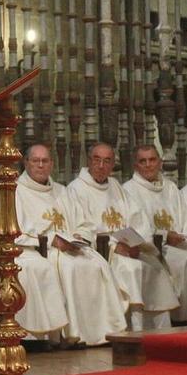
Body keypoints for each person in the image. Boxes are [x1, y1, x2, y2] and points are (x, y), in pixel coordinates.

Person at [14, 143, 126, 346]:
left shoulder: (62, 191)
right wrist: (51, 241)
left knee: (98, 264)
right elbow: (18, 231)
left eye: (45, 161)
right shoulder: (16, 191)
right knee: (67, 267)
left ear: (52, 164)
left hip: (71, 246)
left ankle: (104, 331)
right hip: (47, 249)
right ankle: (72, 334)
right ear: (26, 163)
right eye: (36, 161)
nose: (41, 165)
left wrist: (78, 237)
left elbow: (84, 223)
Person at [0, 138, 69, 339]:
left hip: (3, 245)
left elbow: (16, 219)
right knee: (15, 270)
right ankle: (7, 335)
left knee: (41, 265)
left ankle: (37, 336)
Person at [67, 143, 179, 330]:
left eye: (107, 161)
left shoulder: (116, 187)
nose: (101, 165)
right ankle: (135, 328)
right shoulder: (76, 190)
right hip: (103, 252)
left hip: (129, 249)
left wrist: (138, 244)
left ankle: (161, 330)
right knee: (130, 269)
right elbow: (82, 227)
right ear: (89, 161)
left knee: (156, 267)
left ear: (113, 165)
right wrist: (114, 246)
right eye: (97, 160)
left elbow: (138, 219)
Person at [122, 145, 187, 322]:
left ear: (160, 163)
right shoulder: (128, 190)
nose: (148, 165)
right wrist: (163, 236)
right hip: (154, 250)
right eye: (142, 161)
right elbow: (136, 228)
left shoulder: (170, 188)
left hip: (179, 244)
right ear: (135, 166)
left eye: (152, 160)